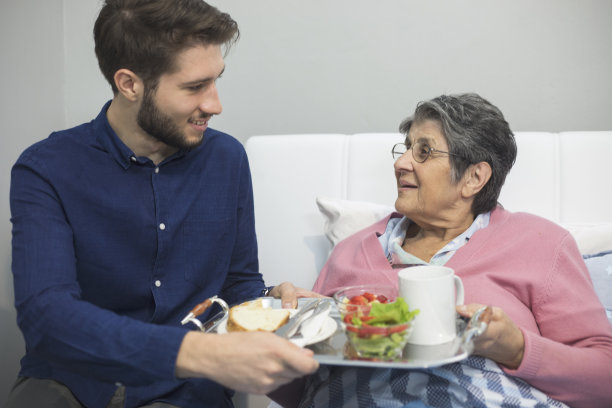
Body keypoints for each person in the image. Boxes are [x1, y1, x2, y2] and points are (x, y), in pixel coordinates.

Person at [6, 1, 320, 407]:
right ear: (129, 84)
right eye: (194, 87)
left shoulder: (226, 159)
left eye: (216, 81)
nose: (215, 105)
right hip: (70, 385)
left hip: (185, 393)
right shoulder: (46, 168)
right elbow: (46, 317)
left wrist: (272, 299)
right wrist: (189, 352)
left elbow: (236, 284)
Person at [276, 94, 612, 408]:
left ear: (473, 177)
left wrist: (517, 349)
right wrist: (277, 333)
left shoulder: (541, 243)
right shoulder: (351, 251)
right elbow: (300, 391)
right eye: (407, 148)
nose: (401, 163)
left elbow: (604, 378)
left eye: (424, 152)